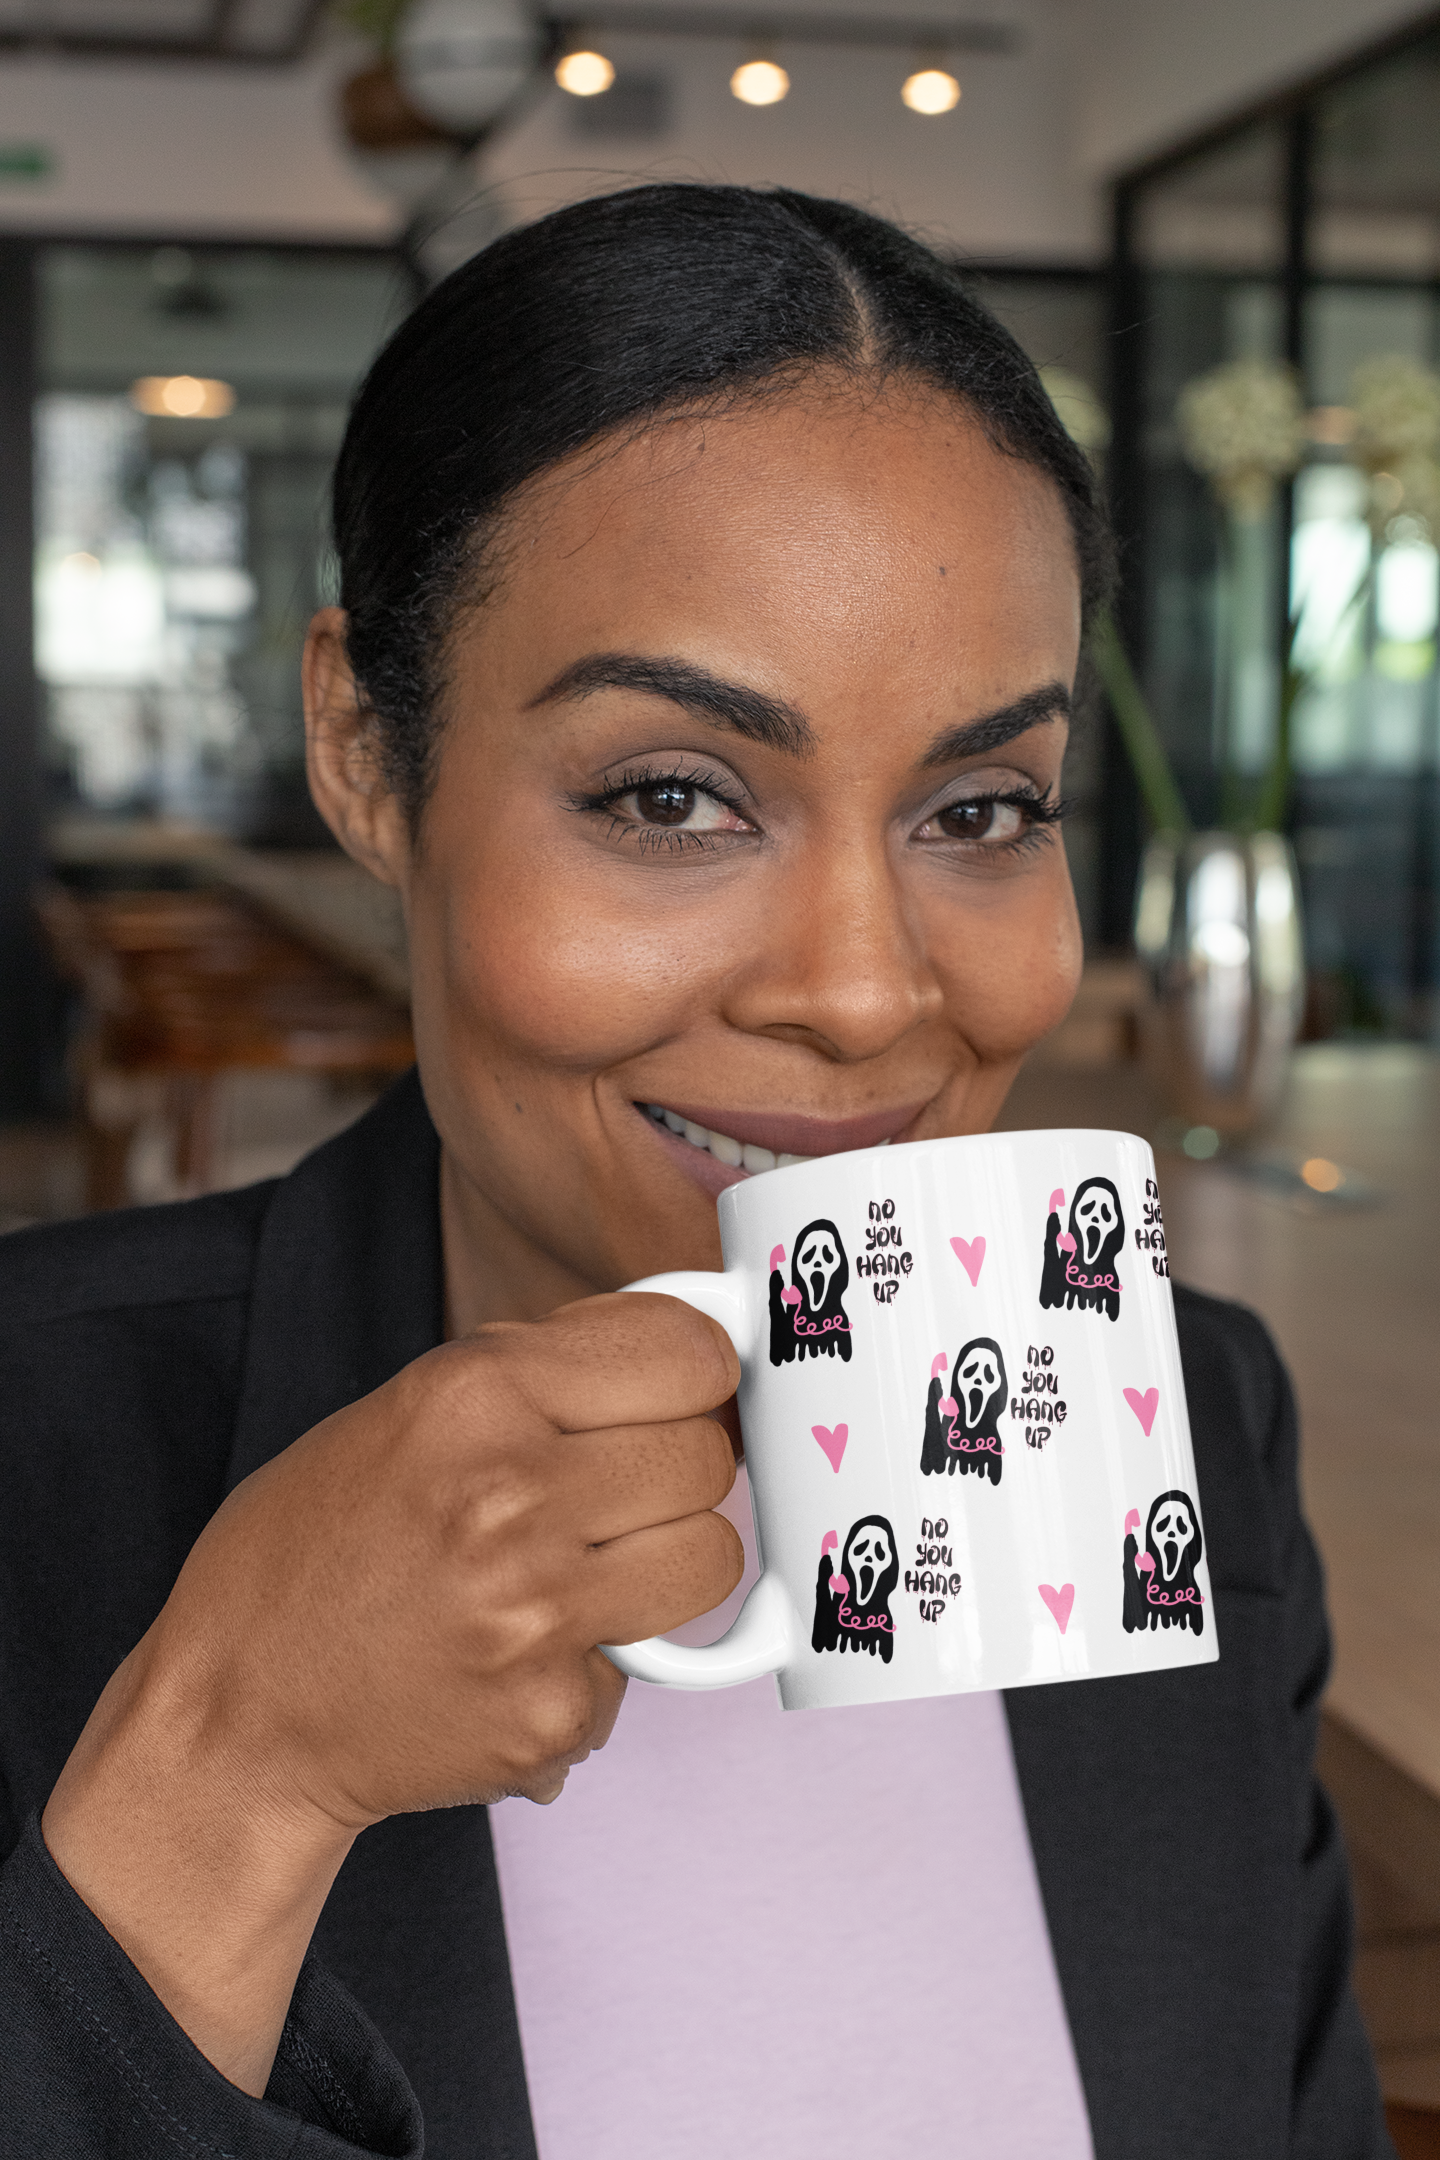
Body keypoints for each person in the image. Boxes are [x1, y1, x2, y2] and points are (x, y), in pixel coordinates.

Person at [0, 184, 1392, 2160]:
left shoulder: (1190, 1417)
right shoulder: (39, 1448)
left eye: (982, 806)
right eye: (672, 796)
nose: (858, 990)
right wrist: (236, 1765)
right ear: (363, 752)